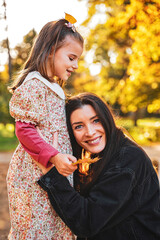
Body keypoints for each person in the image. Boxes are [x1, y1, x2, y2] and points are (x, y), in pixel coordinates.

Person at [37, 92, 160, 240]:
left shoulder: (127, 160)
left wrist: (53, 175)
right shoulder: (102, 155)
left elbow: (87, 222)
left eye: (96, 121)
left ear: (106, 118)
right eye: (79, 126)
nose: (90, 132)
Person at [7, 14, 83, 239]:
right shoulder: (34, 85)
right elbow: (24, 130)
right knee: (37, 227)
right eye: (71, 57)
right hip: (35, 176)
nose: (75, 65)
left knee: (55, 225)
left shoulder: (51, 87)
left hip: (52, 171)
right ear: (51, 49)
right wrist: (54, 157)